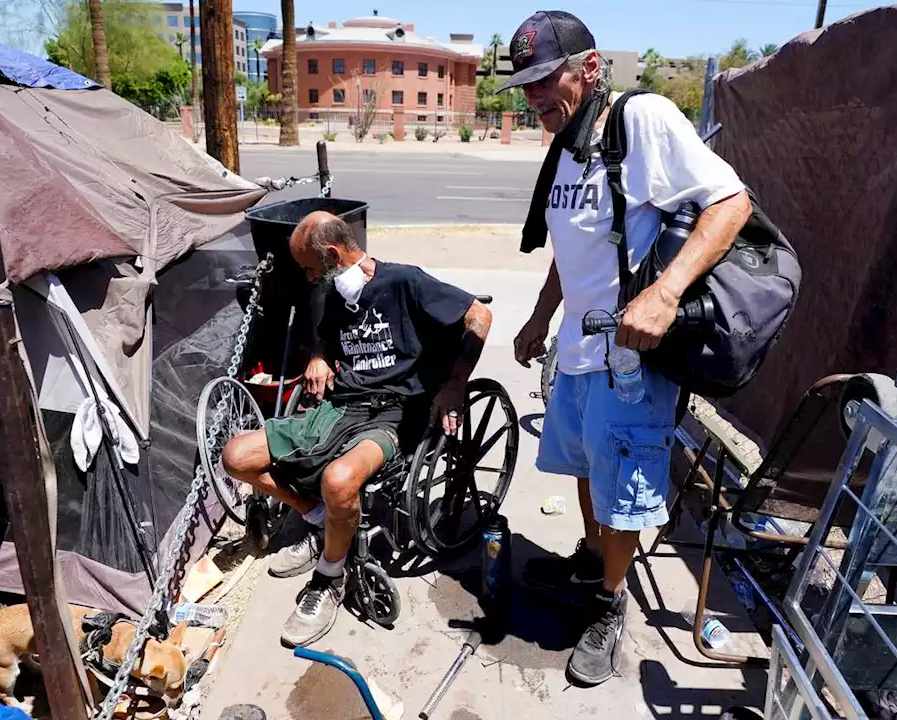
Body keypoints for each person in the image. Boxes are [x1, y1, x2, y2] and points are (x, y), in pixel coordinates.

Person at [503, 11, 752, 686]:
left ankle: (610, 605)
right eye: (521, 86)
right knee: (588, 471)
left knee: (623, 491)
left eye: (541, 80)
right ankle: (591, 562)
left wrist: (665, 293)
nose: (531, 100)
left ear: (588, 68)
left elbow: (730, 203)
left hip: (630, 364)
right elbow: (575, 246)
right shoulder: (567, 138)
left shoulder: (641, 120)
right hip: (579, 354)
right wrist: (539, 318)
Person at [222, 211, 492, 647]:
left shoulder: (404, 282)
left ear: (331, 255)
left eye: (310, 268)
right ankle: (318, 516)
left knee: (339, 477)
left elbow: (479, 317)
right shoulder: (331, 294)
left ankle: (330, 575)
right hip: (342, 408)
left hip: (394, 415)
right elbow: (325, 339)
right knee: (237, 456)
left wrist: (454, 385)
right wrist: (317, 356)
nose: (309, 278)